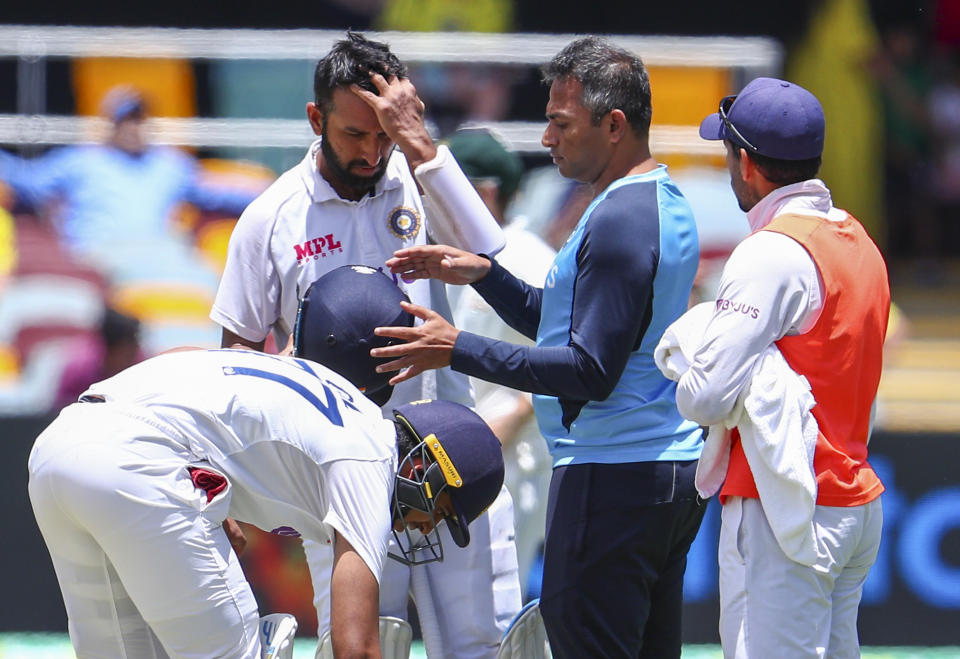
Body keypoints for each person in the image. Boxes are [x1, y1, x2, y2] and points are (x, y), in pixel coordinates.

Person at [372, 37, 706, 658]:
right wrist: (484, 275)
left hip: (612, 477)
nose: (547, 139)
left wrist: (456, 346)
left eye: (559, 122)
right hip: (662, 470)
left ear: (613, 125)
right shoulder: (660, 200)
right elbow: (572, 326)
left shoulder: (618, 220)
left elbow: (589, 370)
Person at [210, 32, 521, 657]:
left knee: (484, 646)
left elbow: (489, 251)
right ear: (315, 118)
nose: (372, 151)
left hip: (451, 454)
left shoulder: (419, 175)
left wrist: (420, 144)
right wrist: (230, 490)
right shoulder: (270, 218)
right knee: (363, 644)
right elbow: (234, 361)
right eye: (355, 133)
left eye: (385, 132)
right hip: (344, 472)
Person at [28, 350, 504, 658]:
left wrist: (206, 483)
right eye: (439, 510)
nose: (424, 528)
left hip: (59, 447)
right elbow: (355, 648)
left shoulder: (336, 390)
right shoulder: (370, 458)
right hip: (139, 467)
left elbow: (190, 366)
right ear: (423, 467)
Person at [674, 77, 889, 657]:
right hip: (849, 503)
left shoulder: (770, 250)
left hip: (786, 509)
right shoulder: (860, 240)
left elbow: (704, 396)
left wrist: (692, 342)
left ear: (745, 162)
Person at [443, 127, 556, 597]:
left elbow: (565, 360)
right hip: (446, 456)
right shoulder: (451, 253)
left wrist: (505, 423)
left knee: (493, 601)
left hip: (513, 461)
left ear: (485, 193)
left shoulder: (532, 260)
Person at [0, 87, 262, 279]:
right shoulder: (81, 159)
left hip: (161, 250)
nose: (133, 128)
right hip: (100, 253)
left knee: (208, 278)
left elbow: (217, 194)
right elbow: (29, 182)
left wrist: (273, 195)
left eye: (139, 120)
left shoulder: (169, 163)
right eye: (126, 120)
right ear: (111, 124)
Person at [53, 306, 145, 409]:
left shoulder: (140, 364)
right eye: (128, 349)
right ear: (110, 348)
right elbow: (62, 410)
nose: (135, 351)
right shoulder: (79, 371)